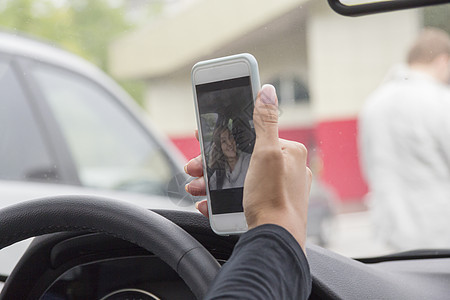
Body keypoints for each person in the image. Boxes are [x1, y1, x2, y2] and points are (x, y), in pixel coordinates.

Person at [185, 84, 312, 299]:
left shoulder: (251, 164)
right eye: (222, 141)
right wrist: (279, 225)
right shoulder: (218, 173)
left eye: (231, 139)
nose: (228, 144)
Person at [359, 28, 450, 250]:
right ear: (443, 61)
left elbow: (369, 168)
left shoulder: (373, 103)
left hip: (391, 239)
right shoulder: (441, 100)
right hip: (441, 236)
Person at [208, 124, 251, 190]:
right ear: (220, 148)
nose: (230, 143)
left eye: (230, 137)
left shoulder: (249, 161)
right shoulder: (219, 173)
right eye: (224, 141)